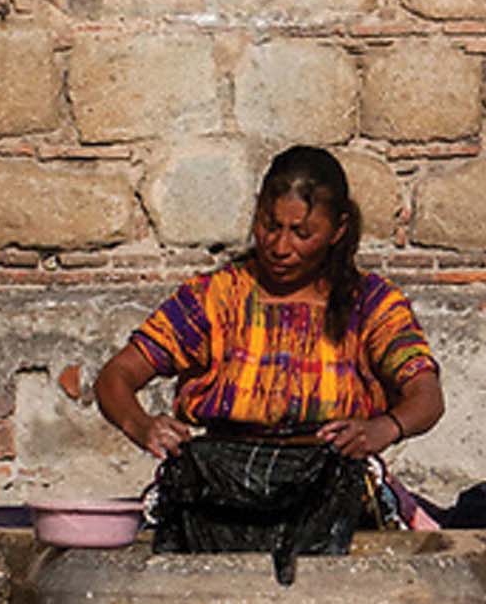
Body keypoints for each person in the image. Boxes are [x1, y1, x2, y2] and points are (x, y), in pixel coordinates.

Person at [92, 145, 445, 581]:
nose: (280, 246)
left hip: (330, 493)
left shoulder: (371, 304)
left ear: (338, 230)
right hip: (217, 498)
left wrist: (383, 428)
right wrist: (143, 425)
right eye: (269, 225)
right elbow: (116, 376)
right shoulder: (216, 297)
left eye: (302, 233)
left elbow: (425, 395)